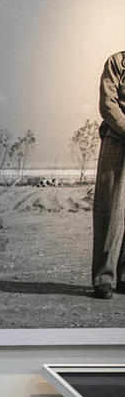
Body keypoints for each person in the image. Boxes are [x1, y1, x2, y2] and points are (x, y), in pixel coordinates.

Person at [92, 49, 125, 300]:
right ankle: (105, 278)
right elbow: (107, 104)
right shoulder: (116, 62)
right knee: (111, 210)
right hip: (118, 141)